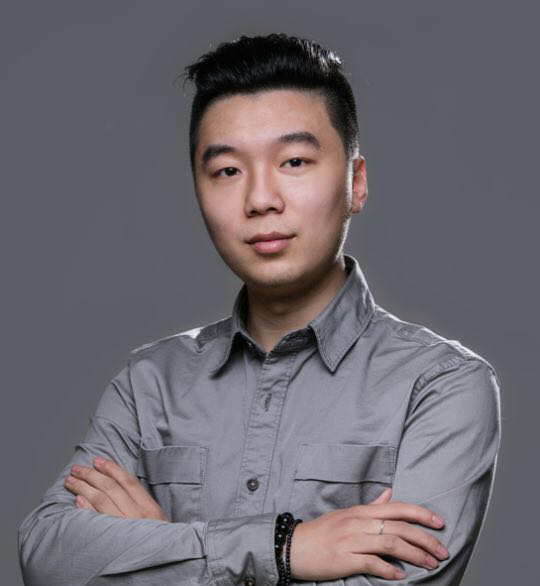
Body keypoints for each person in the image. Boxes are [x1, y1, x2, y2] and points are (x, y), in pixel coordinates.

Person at [18, 33, 501, 586]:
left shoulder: (440, 385)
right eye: (228, 170)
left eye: (294, 161)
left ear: (356, 183)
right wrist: (285, 548)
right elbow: (48, 556)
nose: (260, 199)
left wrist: (161, 548)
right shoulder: (149, 384)